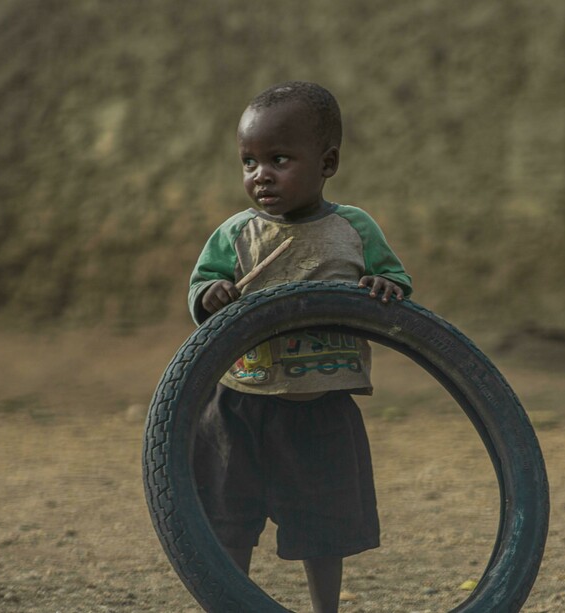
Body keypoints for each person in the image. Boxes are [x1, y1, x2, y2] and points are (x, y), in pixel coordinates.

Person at [187, 81, 412, 613]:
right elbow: (200, 291)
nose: (260, 175)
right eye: (248, 162)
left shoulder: (352, 229)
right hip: (240, 399)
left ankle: (324, 607)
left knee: (323, 524)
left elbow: (395, 282)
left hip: (320, 401)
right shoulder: (235, 234)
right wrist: (212, 294)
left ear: (327, 162)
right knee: (228, 515)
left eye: (279, 159)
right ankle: (231, 600)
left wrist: (385, 290)